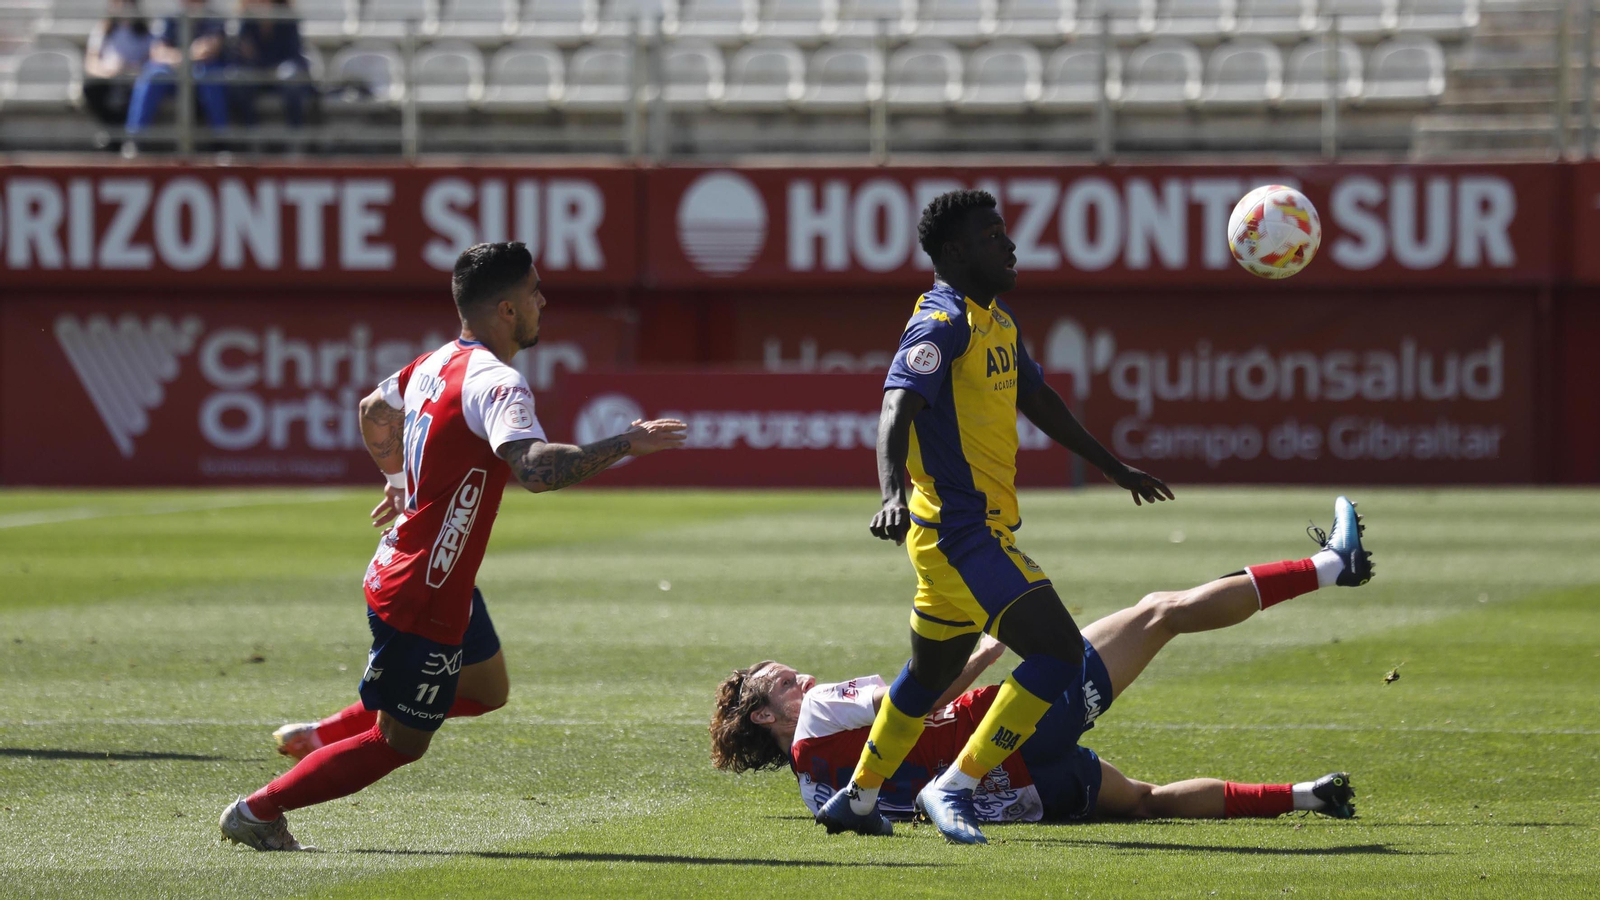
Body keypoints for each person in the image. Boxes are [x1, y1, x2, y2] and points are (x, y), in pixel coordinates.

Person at [219, 242, 689, 851]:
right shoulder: (498, 382)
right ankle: (257, 812)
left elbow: (372, 410)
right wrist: (625, 443)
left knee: (488, 691)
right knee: (400, 742)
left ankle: (320, 735)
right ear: (508, 309)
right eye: (535, 290)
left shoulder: (436, 362)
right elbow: (538, 469)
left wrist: (396, 482)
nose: (544, 299)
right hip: (424, 590)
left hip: (440, 574)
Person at [815, 189, 1174, 844]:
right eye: (991, 236)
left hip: (956, 537)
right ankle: (957, 784)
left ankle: (860, 798)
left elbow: (1039, 398)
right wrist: (890, 492)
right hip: (961, 534)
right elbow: (896, 408)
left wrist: (1113, 466)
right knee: (1061, 653)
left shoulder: (996, 320)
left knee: (926, 678)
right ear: (955, 252)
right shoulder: (941, 321)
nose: (1008, 245)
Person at [712, 498, 1374, 828]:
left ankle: (1308, 796)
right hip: (1011, 726)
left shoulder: (813, 789)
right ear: (764, 711)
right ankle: (1329, 566)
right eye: (775, 677)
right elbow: (918, 702)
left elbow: (883, 810)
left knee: (1145, 803)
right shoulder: (823, 708)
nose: (793, 670)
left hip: (1018, 795)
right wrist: (980, 654)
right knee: (1159, 613)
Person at [123, 0, 230, 140]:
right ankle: (134, 139)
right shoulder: (169, 17)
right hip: (173, 73)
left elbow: (210, 49)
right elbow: (157, 52)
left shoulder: (214, 18)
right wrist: (186, 56)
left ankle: (221, 141)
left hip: (200, 76)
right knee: (152, 74)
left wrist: (179, 56)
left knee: (210, 75)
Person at [235, 0, 312, 128]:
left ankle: (295, 137)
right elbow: (242, 55)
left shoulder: (287, 15)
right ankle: (252, 136)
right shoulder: (247, 19)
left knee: (291, 78)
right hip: (257, 70)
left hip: (283, 69)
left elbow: (293, 53)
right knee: (238, 80)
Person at [82, 0, 152, 125]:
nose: (122, 6)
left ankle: (127, 136)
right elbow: (90, 64)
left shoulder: (146, 34)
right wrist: (108, 72)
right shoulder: (102, 30)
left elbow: (150, 63)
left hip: (132, 81)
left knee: (139, 93)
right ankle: (114, 135)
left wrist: (128, 70)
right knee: (91, 88)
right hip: (107, 80)